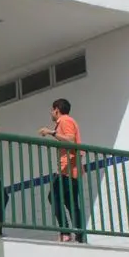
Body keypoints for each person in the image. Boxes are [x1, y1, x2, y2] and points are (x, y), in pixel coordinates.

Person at [39, 98, 85, 243]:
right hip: (71, 170)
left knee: (53, 197)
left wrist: (51, 132)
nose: (51, 113)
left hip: (68, 171)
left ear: (57, 110)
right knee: (70, 202)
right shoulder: (66, 122)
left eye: (52, 110)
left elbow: (70, 140)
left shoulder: (65, 121)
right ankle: (78, 235)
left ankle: (66, 232)